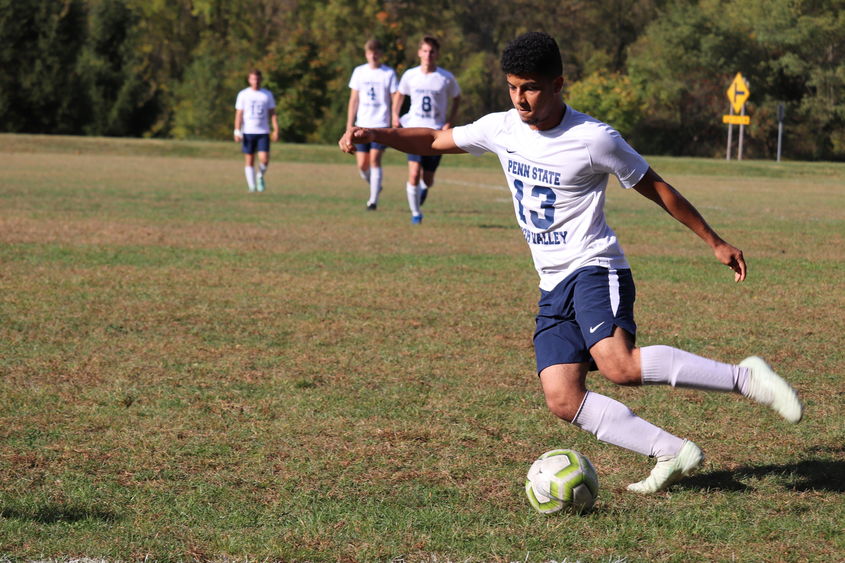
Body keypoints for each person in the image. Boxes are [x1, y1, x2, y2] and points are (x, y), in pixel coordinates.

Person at [340, 31, 803, 493]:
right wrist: (376, 134)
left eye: (531, 88)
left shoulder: (593, 138)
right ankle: (671, 451)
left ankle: (746, 377)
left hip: (595, 267)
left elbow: (656, 186)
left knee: (618, 366)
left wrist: (715, 241)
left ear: (558, 84)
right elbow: (435, 140)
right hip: (551, 282)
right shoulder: (501, 127)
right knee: (563, 398)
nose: (520, 99)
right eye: (513, 87)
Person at [392, 35, 461, 224]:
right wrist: (395, 115)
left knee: (428, 178)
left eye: (432, 51)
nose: (428, 55)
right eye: (425, 51)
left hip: (436, 133)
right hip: (414, 130)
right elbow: (399, 94)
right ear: (419, 53)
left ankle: (423, 189)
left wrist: (449, 121)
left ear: (437, 54)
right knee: (413, 173)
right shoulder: (410, 75)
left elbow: (457, 98)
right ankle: (415, 213)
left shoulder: (445, 77)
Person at [347, 38, 398, 211]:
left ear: (381, 54)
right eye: (370, 52)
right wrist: (349, 124)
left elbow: (394, 98)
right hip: (362, 124)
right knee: (363, 165)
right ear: (366, 54)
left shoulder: (388, 73)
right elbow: (354, 99)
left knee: (375, 160)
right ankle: (375, 185)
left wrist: (394, 119)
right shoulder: (359, 72)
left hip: (381, 124)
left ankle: (373, 200)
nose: (373, 56)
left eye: (376, 52)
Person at [234, 69, 279, 193]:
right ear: (249, 80)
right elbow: (239, 114)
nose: (256, 81)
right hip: (248, 131)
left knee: (264, 159)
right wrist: (237, 131)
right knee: (249, 159)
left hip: (263, 131)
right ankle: (252, 186)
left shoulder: (267, 94)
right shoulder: (243, 94)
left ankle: (259, 176)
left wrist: (276, 129)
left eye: (257, 78)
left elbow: (273, 113)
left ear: (261, 79)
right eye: (253, 78)